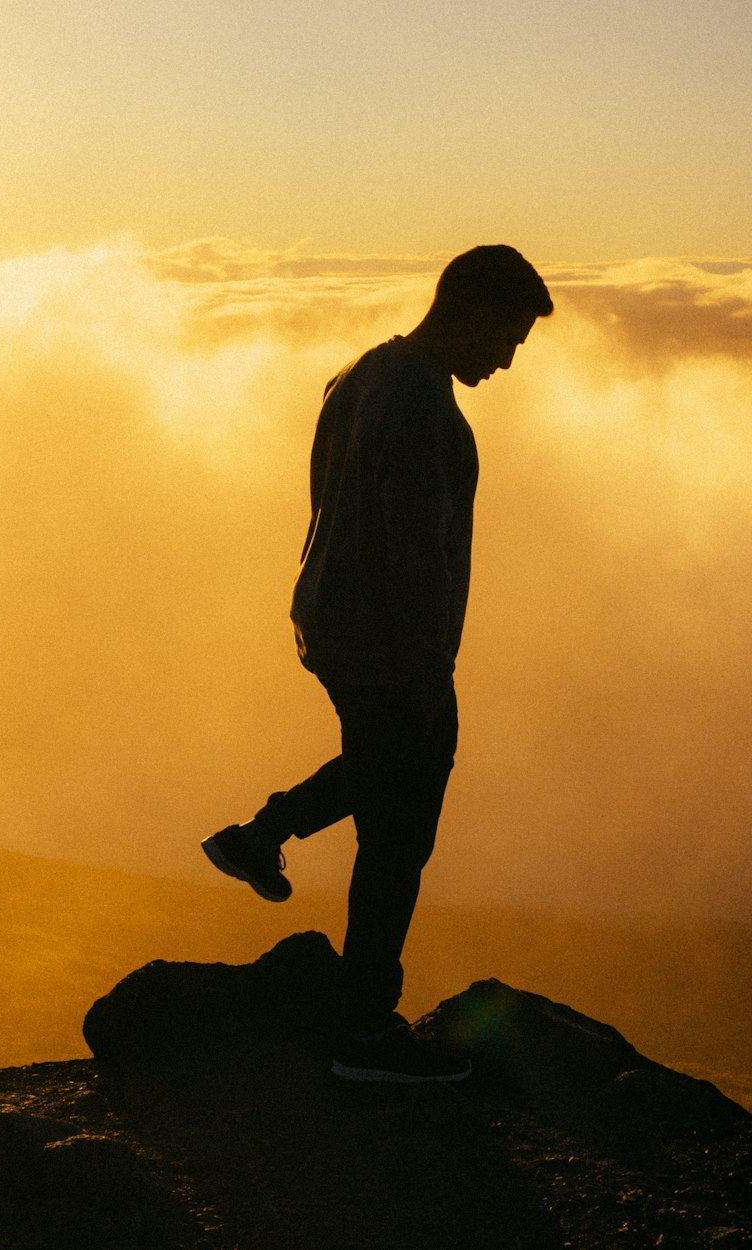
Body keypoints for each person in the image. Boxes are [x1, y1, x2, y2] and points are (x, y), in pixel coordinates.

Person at [202, 245, 554, 1083]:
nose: (505, 360)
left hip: (335, 623)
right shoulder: (423, 411)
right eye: (506, 338)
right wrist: (430, 674)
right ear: (472, 313)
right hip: (389, 644)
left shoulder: (366, 373)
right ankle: (364, 1033)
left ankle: (259, 836)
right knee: (400, 832)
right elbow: (415, 560)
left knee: (382, 769)